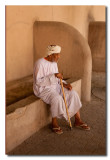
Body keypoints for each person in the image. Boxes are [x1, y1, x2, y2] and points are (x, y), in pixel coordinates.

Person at [33, 45, 90, 134]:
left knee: (73, 93)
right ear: (50, 54)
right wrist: (54, 75)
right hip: (43, 89)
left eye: (59, 54)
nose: (59, 56)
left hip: (55, 86)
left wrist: (64, 84)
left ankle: (78, 120)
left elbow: (56, 79)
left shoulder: (54, 62)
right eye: (57, 54)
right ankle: (54, 122)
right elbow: (38, 82)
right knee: (57, 98)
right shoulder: (39, 63)